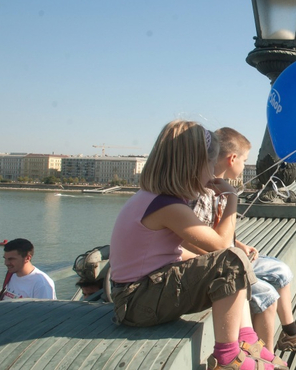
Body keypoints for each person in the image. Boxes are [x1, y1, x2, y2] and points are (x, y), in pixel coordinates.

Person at [108, 120, 282, 370]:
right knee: (230, 261)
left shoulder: (156, 199)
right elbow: (222, 246)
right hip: (136, 301)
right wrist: (231, 198)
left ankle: (246, 339)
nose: (213, 171)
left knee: (231, 264)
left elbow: (173, 253)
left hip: (139, 294)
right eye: (210, 164)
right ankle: (228, 356)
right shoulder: (168, 207)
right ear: (193, 165)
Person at [186, 127, 296, 354]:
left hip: (227, 255)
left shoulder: (220, 186)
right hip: (216, 264)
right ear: (232, 159)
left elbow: (216, 232)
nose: (245, 165)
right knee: (267, 295)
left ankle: (290, 333)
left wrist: (238, 245)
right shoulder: (204, 192)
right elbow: (193, 238)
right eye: (244, 160)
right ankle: (266, 358)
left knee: (282, 271)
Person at [0, 238, 56, 304]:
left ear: (27, 258)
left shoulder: (42, 284)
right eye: (5, 259)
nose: (6, 263)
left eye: (11, 259)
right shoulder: (11, 274)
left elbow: (46, 313)